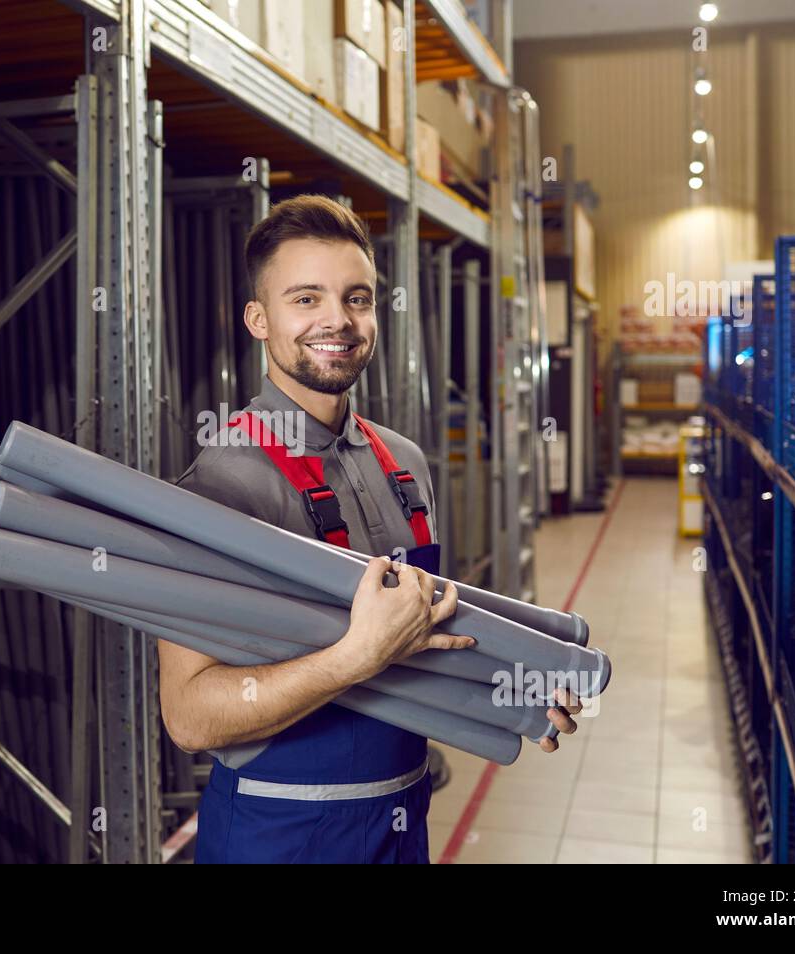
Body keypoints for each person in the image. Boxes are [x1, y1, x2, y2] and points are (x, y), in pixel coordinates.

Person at [162, 194, 580, 864]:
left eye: (357, 298)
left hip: (400, 820)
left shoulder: (405, 466)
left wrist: (515, 683)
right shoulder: (222, 484)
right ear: (258, 320)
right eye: (306, 299)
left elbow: (430, 640)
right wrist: (356, 656)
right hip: (280, 834)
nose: (338, 319)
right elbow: (189, 716)